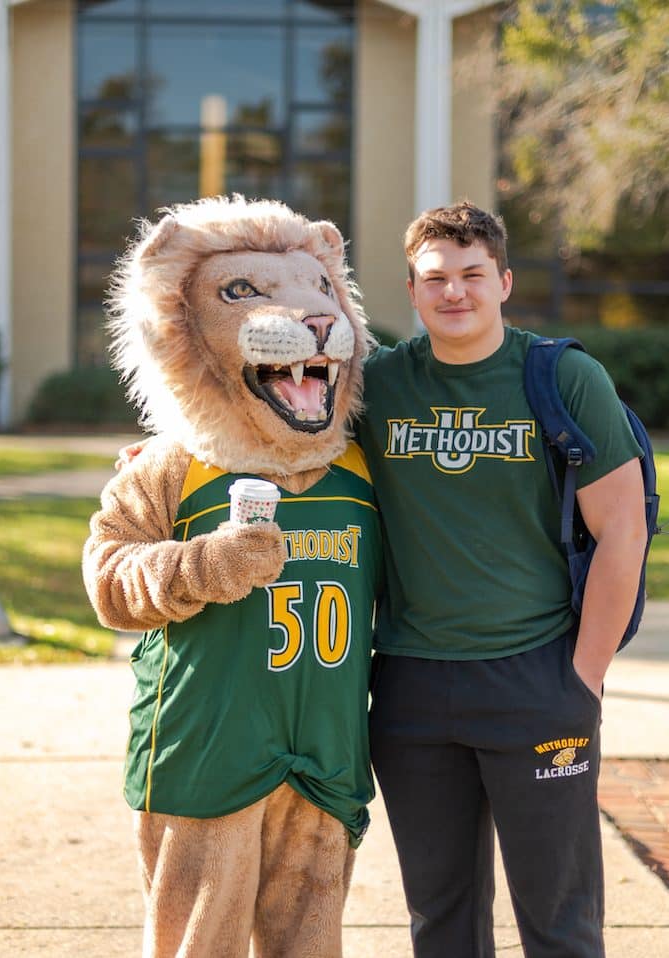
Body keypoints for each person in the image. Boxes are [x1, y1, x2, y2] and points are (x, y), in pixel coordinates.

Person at [356, 201, 647, 958]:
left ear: (504, 281)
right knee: (440, 920)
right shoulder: (378, 386)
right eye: (435, 279)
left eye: (471, 275)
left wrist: (583, 673)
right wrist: (162, 460)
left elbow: (623, 529)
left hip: (536, 676)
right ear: (411, 290)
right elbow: (271, 427)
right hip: (411, 686)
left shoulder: (560, 376)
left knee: (559, 923)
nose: (454, 292)